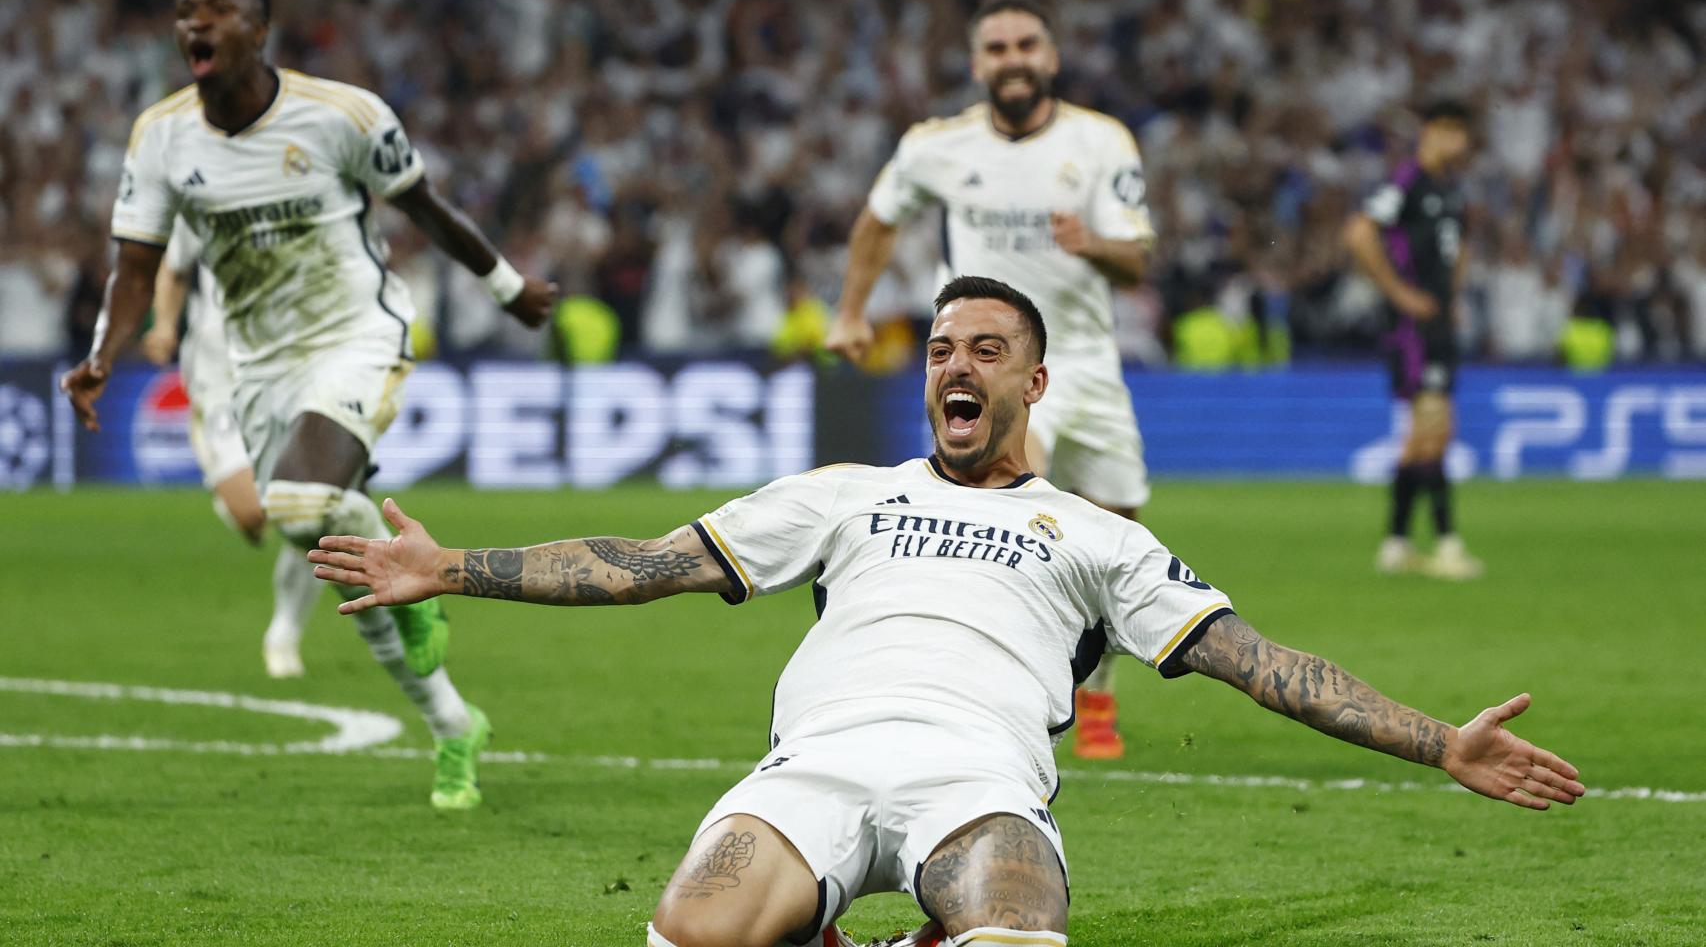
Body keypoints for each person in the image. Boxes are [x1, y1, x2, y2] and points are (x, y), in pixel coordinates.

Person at [311, 276, 1584, 947]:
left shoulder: (1100, 537)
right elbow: (646, 562)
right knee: (685, 932)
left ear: (1032, 380)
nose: (952, 367)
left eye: (981, 349)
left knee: (1020, 928)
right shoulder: (843, 494)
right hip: (809, 769)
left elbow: (1259, 664)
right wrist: (453, 567)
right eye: (936, 349)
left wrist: (1440, 743)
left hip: (975, 779)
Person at [60, 0, 557, 810]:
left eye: (217, 7)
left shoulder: (342, 115)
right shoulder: (161, 134)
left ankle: (413, 599)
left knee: (297, 505)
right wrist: (101, 356)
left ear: (260, 29)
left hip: (354, 333)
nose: (194, 21)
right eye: (186, 7)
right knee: (326, 545)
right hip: (256, 366)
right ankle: (453, 724)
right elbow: (137, 268)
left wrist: (505, 286)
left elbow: (425, 209)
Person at [826, 0, 1155, 760]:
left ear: (1051, 57)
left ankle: (1096, 690)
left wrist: (1093, 244)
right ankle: (996, 695)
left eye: (1026, 45)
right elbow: (878, 218)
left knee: (1119, 532)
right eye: (998, 48)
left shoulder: (1101, 141)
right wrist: (850, 312)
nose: (1013, 59)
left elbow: (1137, 257)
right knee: (1002, 512)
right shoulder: (937, 146)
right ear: (978, 64)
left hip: (1086, 361)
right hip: (992, 366)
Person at [142, 216, 323, 679]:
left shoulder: (305, 196)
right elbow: (175, 269)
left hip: (289, 374)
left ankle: (283, 634)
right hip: (219, 379)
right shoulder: (199, 200)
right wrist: (164, 323)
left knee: (309, 512)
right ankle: (236, 497)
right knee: (254, 517)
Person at [1343, 100, 1483, 580]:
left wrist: (1453, 294)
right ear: (1431, 132)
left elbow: (1461, 245)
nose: (1460, 143)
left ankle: (1397, 543)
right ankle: (1446, 543)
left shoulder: (1452, 191)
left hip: (1438, 324)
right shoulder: (1406, 182)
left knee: (1424, 439)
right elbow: (1360, 233)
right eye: (1452, 132)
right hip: (1413, 328)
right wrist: (1401, 294)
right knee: (1434, 429)